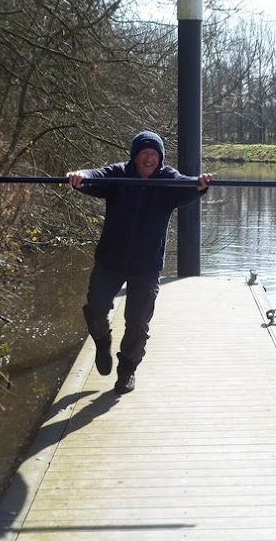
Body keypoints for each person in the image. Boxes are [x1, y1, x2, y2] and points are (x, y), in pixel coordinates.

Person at [67, 131, 215, 394]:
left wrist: (200, 184)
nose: (149, 159)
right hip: (110, 261)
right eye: (145, 153)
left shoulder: (168, 180)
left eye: (154, 155)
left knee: (137, 323)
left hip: (146, 267)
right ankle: (102, 340)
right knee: (97, 308)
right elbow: (95, 176)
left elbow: (187, 185)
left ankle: (127, 370)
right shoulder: (119, 174)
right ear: (135, 156)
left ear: (160, 159)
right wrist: (80, 177)